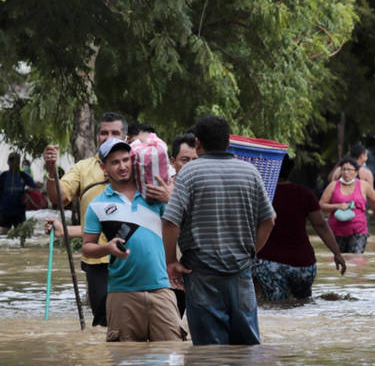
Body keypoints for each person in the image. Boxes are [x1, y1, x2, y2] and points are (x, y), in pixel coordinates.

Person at [162, 115, 276, 346]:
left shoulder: (189, 173)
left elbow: (170, 222)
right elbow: (269, 220)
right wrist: (251, 252)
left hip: (201, 273)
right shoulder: (250, 172)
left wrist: (171, 261)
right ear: (228, 143)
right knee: (246, 346)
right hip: (241, 272)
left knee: (209, 350)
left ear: (198, 143)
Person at [82, 138, 182, 342]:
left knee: (172, 352)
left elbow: (181, 225)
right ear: (104, 167)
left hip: (161, 288)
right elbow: (87, 248)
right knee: (125, 358)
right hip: (121, 293)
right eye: (115, 162)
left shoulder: (153, 194)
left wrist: (171, 199)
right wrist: (108, 248)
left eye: (126, 160)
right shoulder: (97, 205)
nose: (122, 166)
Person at [43, 111, 128, 327]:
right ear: (96, 137)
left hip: (132, 257)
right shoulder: (84, 168)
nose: (108, 137)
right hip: (97, 259)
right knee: (103, 322)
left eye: (115, 133)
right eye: (103, 133)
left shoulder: (133, 165)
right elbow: (58, 197)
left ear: (126, 137)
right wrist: (52, 171)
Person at [254, 157, 346, 302]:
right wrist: (337, 253)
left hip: (270, 264)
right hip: (304, 265)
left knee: (276, 306)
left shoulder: (262, 195)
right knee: (302, 303)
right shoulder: (304, 193)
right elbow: (320, 225)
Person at [143, 132, 198, 318]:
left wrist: (171, 200)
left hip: (195, 269)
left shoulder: (207, 190)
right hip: (163, 270)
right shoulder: (156, 189)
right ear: (173, 162)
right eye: (185, 159)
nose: (190, 165)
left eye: (195, 160)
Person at [319, 157, 375, 254]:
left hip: (359, 231)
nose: (346, 172)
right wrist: (337, 206)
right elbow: (321, 205)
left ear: (356, 172)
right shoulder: (333, 186)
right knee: (339, 260)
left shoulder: (363, 185)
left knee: (356, 260)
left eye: (349, 170)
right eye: (343, 169)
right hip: (336, 231)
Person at [329, 144, 375, 232]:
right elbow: (372, 198)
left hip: (338, 215)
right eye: (366, 155)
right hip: (357, 217)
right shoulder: (366, 173)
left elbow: (330, 192)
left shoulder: (338, 171)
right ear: (362, 156)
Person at [0, 153, 36, 234]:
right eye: (12, 161)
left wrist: (29, 197)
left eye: (17, 162)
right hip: (5, 212)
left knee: (21, 235)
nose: (14, 164)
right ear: (8, 162)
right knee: (3, 235)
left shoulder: (23, 176)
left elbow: (34, 188)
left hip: (19, 213)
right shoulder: (3, 176)